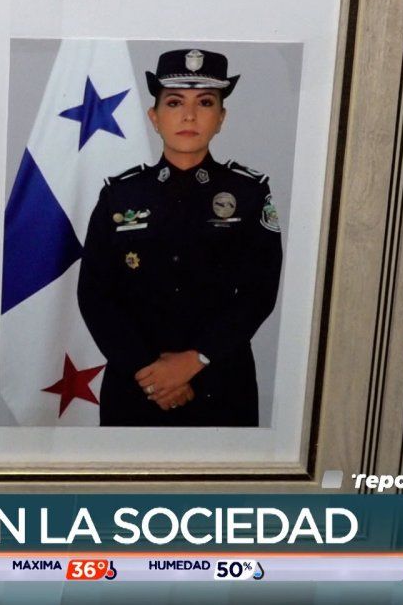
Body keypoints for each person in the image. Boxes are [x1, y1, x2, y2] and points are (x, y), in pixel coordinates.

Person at [77, 49, 283, 427]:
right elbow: (94, 294)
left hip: (221, 381)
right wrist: (149, 373)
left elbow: (259, 292)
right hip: (137, 386)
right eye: (174, 102)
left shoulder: (250, 193)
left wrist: (196, 359)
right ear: (154, 118)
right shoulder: (120, 196)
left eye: (205, 102)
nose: (189, 115)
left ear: (221, 118)